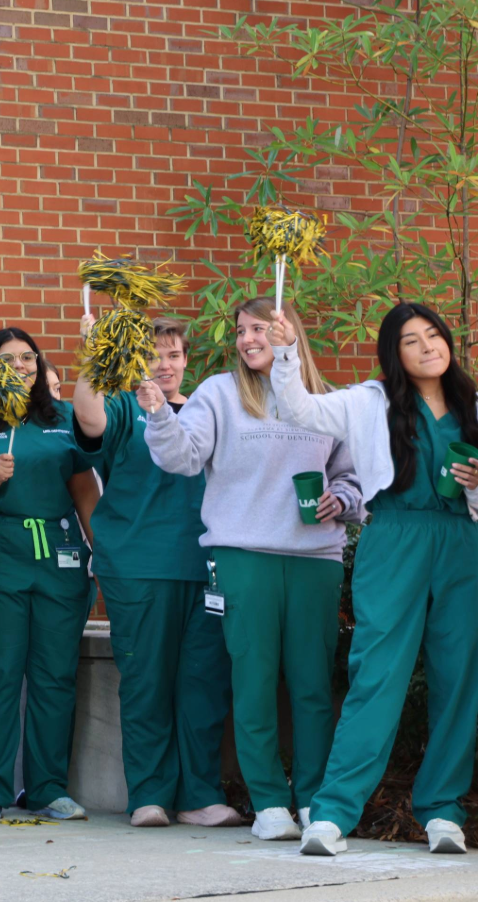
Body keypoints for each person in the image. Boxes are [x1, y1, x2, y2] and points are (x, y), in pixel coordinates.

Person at [144, 298, 362, 843]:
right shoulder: (219, 393)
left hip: (315, 559)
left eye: (258, 328)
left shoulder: (326, 400)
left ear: (288, 331)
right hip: (242, 555)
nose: (245, 339)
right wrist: (157, 413)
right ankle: (268, 803)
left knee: (313, 686)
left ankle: (315, 802)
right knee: (255, 682)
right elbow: (182, 458)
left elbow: (354, 478)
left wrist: (342, 498)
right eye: (240, 331)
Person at [268, 303, 478, 857]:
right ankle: (334, 812)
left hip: (464, 543)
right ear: (395, 352)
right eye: (412, 340)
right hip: (395, 540)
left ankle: (443, 811)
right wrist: (287, 351)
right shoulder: (370, 402)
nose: (429, 346)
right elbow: (299, 410)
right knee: (377, 676)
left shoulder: (472, 402)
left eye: (434, 335)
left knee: (461, 680)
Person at [73, 317, 240, 829]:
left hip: (207, 566)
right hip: (139, 566)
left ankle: (199, 796)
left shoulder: (210, 411)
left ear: (186, 360)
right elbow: (89, 416)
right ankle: (148, 794)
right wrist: (92, 356)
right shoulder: (125, 407)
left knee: (202, 684)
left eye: (172, 356)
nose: (162, 367)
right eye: (152, 357)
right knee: (146, 681)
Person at [0, 328, 101, 822]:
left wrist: (100, 552)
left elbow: (83, 490)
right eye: (8, 359)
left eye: (28, 358)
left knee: (54, 676)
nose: (20, 366)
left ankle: (47, 787)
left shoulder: (63, 419)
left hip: (59, 556)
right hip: (0, 553)